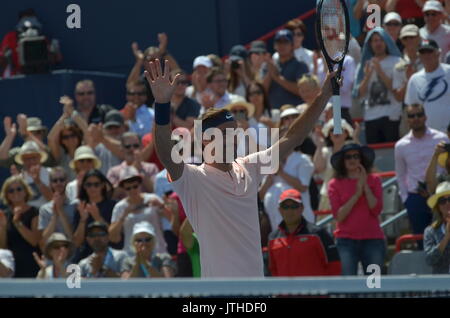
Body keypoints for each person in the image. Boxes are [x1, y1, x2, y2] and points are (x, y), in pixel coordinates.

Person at [145, 57, 334, 277]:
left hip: (257, 290)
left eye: (235, 131)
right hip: (219, 295)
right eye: (225, 132)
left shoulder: (250, 166)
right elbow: (167, 154)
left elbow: (294, 137)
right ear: (205, 139)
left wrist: (324, 94)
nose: (233, 138)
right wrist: (161, 105)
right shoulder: (192, 178)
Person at [395, 104, 449, 246]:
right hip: (415, 198)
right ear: (407, 120)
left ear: (425, 117)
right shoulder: (401, 145)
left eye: (419, 115)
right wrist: (405, 198)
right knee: (421, 240)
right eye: (412, 116)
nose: (416, 118)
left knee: (445, 235)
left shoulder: (441, 138)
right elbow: (400, 175)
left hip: (441, 195)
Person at [328, 143, 385, 275]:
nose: (352, 160)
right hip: (346, 241)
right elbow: (339, 216)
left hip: (373, 239)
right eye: (348, 157)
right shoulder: (334, 184)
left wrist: (365, 186)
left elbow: (376, 210)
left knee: (374, 284)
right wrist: (357, 194)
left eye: (356, 156)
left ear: (361, 159)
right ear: (343, 160)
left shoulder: (375, 180)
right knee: (348, 286)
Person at [268, 189, 341, 276]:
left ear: (302, 208)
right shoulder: (273, 238)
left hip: (315, 289)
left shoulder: (318, 233)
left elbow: (334, 265)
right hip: (284, 289)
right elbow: (272, 269)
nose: (289, 211)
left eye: (294, 206)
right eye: (285, 207)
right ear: (280, 210)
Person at [353, 27, 403, 144]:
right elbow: (359, 93)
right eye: (374, 40)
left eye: (381, 40)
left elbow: (396, 91)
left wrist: (379, 71)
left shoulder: (397, 61)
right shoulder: (364, 65)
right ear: (370, 44)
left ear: (387, 42)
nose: (378, 43)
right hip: (370, 118)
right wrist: (367, 75)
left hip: (391, 116)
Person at [109, 168, 167, 256]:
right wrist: (124, 216)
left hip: (158, 253)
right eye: (128, 188)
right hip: (131, 255)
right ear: (124, 189)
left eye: (135, 186)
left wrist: (162, 206)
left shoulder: (153, 199)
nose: (132, 190)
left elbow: (171, 222)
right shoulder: (119, 207)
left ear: (140, 185)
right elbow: (112, 237)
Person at [405, 38, 450, 133]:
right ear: (419, 56)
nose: (426, 55)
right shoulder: (414, 79)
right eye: (423, 52)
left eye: (429, 51)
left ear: (438, 53)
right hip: (426, 135)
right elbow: (411, 109)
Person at [0, 176, 40, 277]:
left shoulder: (35, 212)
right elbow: (3, 247)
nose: (15, 192)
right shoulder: (4, 215)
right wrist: (3, 227)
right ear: (7, 195)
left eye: (19, 189)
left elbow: (34, 241)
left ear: (25, 191)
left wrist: (18, 223)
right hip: (11, 267)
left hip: (32, 264)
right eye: (11, 190)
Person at [72, 169, 116, 260]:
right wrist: (83, 220)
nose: (92, 188)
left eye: (96, 184)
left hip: (110, 256)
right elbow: (77, 242)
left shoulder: (113, 206)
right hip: (86, 257)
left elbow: (115, 237)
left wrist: (98, 217)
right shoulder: (81, 207)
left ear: (103, 185)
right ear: (84, 186)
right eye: (89, 185)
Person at [313, 119, 356, 211]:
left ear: (346, 133)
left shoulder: (354, 153)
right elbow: (319, 168)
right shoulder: (325, 151)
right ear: (329, 134)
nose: (336, 132)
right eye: (332, 130)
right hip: (328, 196)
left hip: (350, 195)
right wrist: (319, 146)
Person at [264, 29, 309, 110]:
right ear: (274, 45)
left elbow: (303, 91)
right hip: (274, 114)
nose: (282, 45)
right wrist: (269, 75)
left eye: (285, 42)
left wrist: (277, 78)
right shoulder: (269, 66)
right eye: (279, 42)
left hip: (294, 113)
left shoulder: (301, 66)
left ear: (292, 45)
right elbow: (262, 92)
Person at [107, 132, 159, 199]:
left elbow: (155, 191)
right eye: (128, 146)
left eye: (136, 146)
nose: (132, 149)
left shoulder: (151, 168)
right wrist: (132, 170)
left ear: (141, 147)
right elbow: (111, 195)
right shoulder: (113, 171)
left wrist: (140, 170)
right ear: (121, 148)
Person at [47, 97, 87, 181]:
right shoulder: (61, 155)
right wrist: (65, 115)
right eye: (65, 137)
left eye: (73, 135)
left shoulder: (85, 149)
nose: (70, 139)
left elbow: (87, 131)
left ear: (78, 135)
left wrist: (72, 112)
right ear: (62, 140)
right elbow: (51, 138)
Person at [38, 167, 76, 250]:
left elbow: (72, 237)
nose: (58, 183)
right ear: (50, 183)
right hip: (52, 254)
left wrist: (60, 211)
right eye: (55, 180)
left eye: (61, 180)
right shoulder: (44, 209)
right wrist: (55, 215)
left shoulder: (75, 205)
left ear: (67, 181)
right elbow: (44, 240)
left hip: (71, 253)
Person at [392, 24, 423, 106]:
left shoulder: (428, 60)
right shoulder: (398, 66)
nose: (409, 40)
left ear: (419, 38)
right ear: (402, 41)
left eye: (412, 37)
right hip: (410, 111)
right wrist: (409, 80)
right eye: (405, 38)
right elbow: (399, 97)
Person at [424, 181, 450, 274]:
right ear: (438, 207)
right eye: (442, 201)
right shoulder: (430, 231)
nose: (447, 203)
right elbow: (430, 260)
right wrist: (446, 238)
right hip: (441, 285)